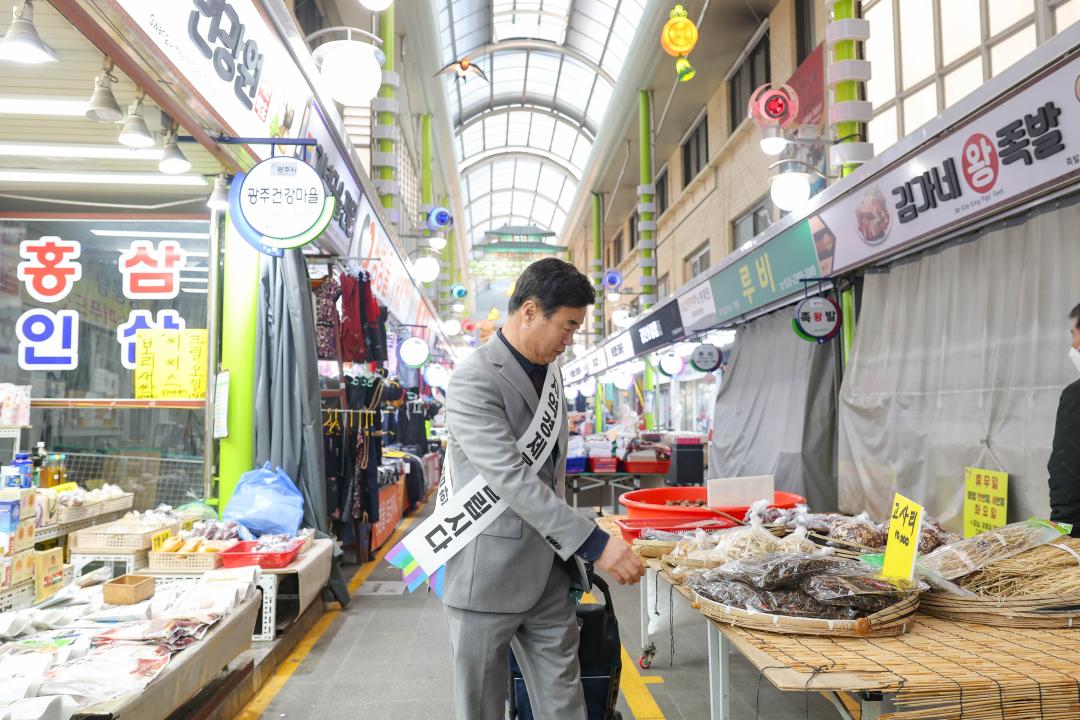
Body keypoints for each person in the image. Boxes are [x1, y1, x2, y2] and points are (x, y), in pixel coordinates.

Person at [442, 258, 645, 720]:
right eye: (568, 326)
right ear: (530, 311)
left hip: (550, 575)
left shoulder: (550, 372)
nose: (570, 340)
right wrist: (595, 543)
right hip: (486, 576)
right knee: (480, 708)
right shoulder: (474, 380)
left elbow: (551, 473)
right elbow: (512, 478)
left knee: (565, 704)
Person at [1049, 302, 1080, 536]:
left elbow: (1067, 467)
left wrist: (1064, 530)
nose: (1073, 344)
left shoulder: (1076, 396)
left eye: (1074, 333)